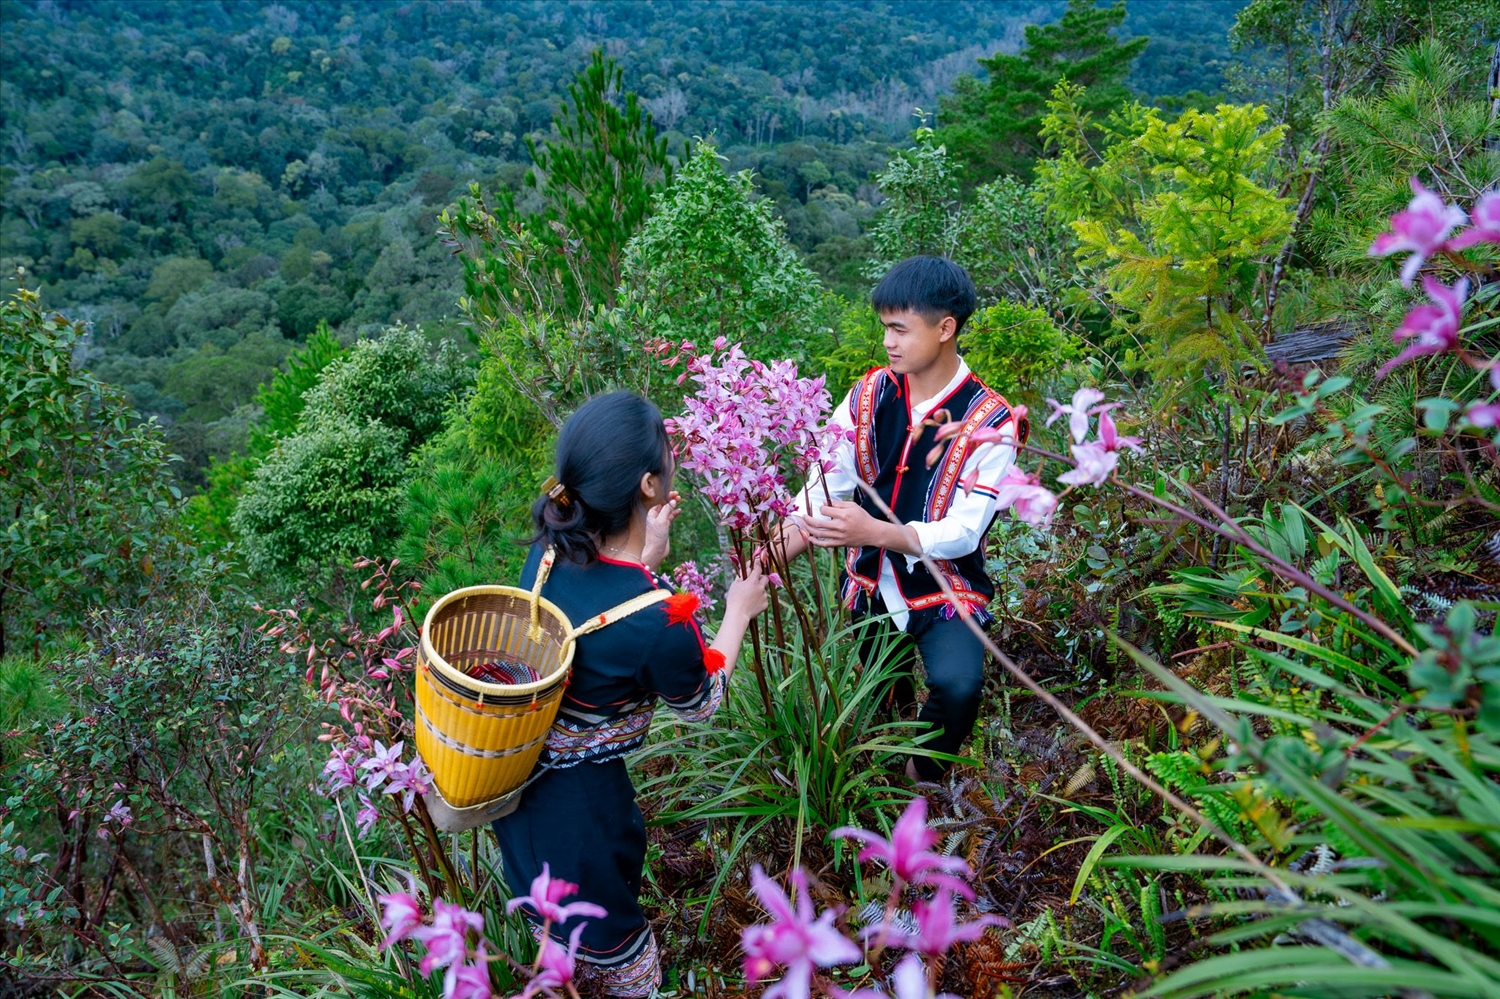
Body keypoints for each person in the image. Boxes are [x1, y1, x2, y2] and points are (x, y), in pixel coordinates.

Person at [492, 391, 768, 998]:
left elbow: (595, 608)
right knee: (614, 952)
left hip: (517, 787)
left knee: (554, 933)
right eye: (668, 450)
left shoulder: (548, 550)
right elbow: (702, 701)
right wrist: (739, 611)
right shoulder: (658, 619)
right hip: (585, 815)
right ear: (649, 484)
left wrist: (645, 557)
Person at [772, 256, 1026, 782]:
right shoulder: (868, 395)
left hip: (947, 587)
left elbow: (965, 531)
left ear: (945, 328)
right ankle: (886, 786)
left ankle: (921, 779)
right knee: (883, 698)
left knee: (958, 686)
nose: (887, 342)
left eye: (899, 329)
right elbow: (824, 486)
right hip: (870, 582)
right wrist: (765, 562)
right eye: (884, 327)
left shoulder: (991, 422)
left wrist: (875, 531)